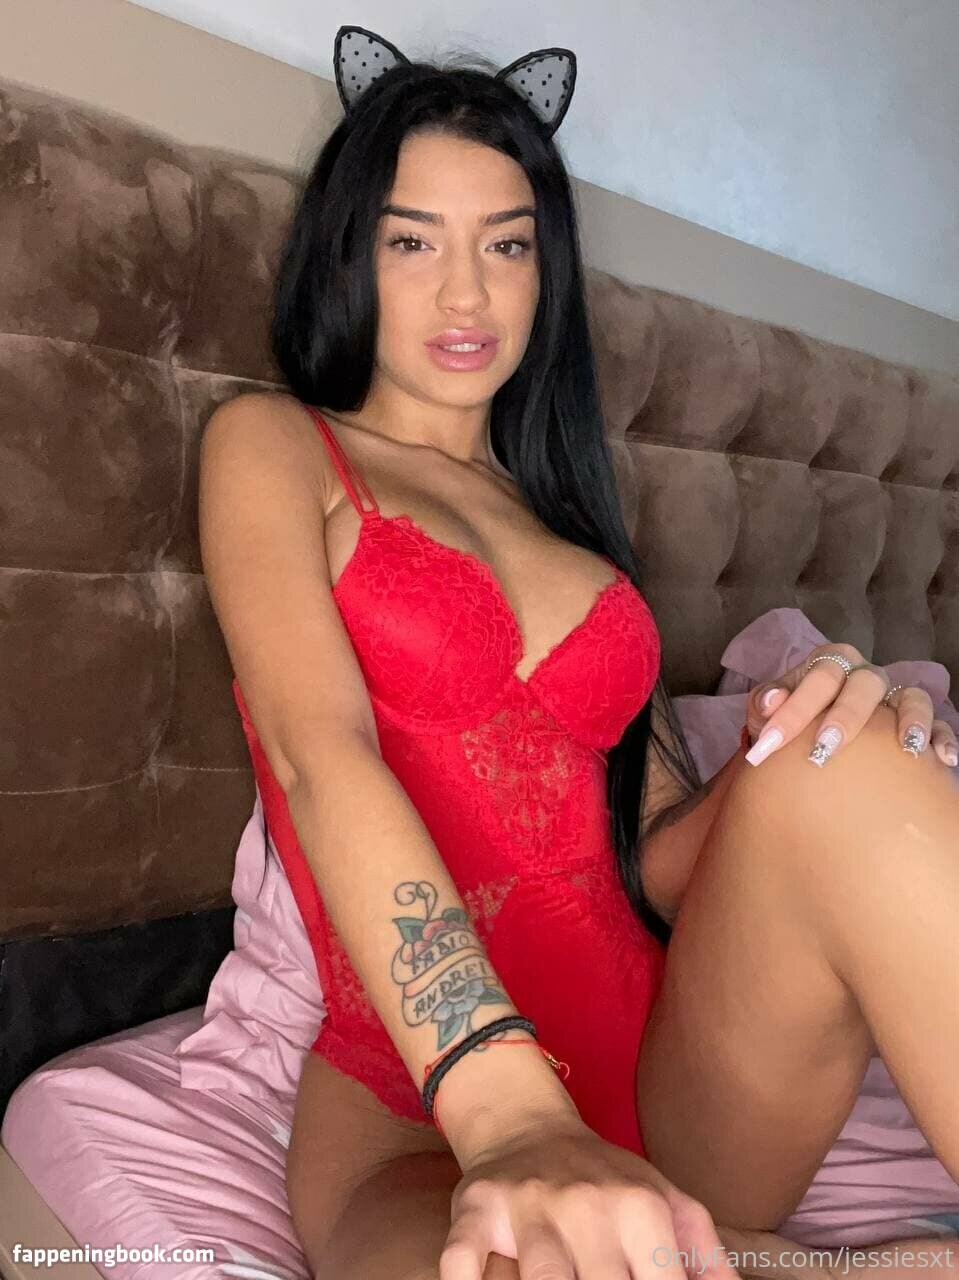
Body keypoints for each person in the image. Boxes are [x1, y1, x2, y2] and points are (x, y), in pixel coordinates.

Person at [197, 25, 959, 1280]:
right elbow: (318, 757)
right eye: (411, 241)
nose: (465, 293)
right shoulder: (275, 446)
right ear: (347, 252)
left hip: (668, 1074)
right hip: (422, 1116)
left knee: (849, 741)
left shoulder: (575, 533)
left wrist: (790, 741)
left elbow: (647, 857)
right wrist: (509, 1110)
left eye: (506, 245)